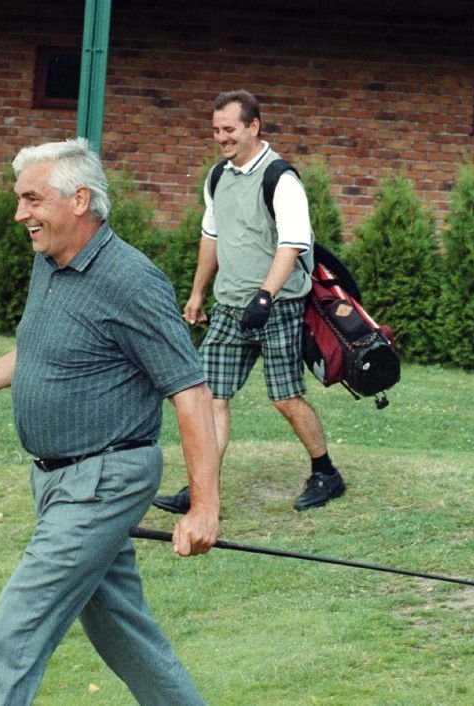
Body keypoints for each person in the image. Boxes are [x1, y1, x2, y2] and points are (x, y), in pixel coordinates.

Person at [0, 138, 221, 705]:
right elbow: (50, 351)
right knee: (122, 630)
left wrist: (204, 507)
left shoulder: (131, 280)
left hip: (102, 482)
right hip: (57, 481)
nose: (20, 214)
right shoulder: (51, 263)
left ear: (79, 199)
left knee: (15, 633)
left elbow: (190, 391)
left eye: (32, 200)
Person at [153, 89, 345, 516]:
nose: (221, 138)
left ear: (253, 126)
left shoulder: (281, 178)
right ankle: (202, 491)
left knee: (285, 398)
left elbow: (293, 243)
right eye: (216, 130)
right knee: (209, 397)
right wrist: (198, 292)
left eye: (229, 129)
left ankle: (326, 473)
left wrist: (266, 295)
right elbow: (212, 236)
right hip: (228, 307)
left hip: (278, 305)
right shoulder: (218, 177)